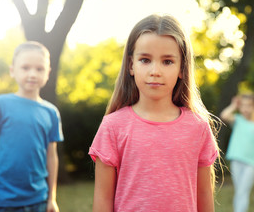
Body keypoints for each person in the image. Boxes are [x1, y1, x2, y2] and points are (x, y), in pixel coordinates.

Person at [88, 14, 220, 212]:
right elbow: (102, 200)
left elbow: (204, 196)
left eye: (167, 62)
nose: (155, 71)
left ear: (182, 68)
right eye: (145, 60)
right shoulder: (112, 126)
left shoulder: (198, 128)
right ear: (131, 65)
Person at [0, 41, 63, 212]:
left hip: (39, 200)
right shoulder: (0, 105)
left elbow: (51, 157)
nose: (32, 74)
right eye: (25, 68)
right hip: (2, 200)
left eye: (39, 69)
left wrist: (52, 197)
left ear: (48, 73)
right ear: (12, 70)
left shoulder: (51, 112)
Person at [220, 93, 254, 212]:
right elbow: (224, 115)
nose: (246, 109)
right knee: (239, 191)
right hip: (236, 161)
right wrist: (233, 106)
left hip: (251, 163)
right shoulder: (238, 120)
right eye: (243, 106)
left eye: (249, 106)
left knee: (243, 191)